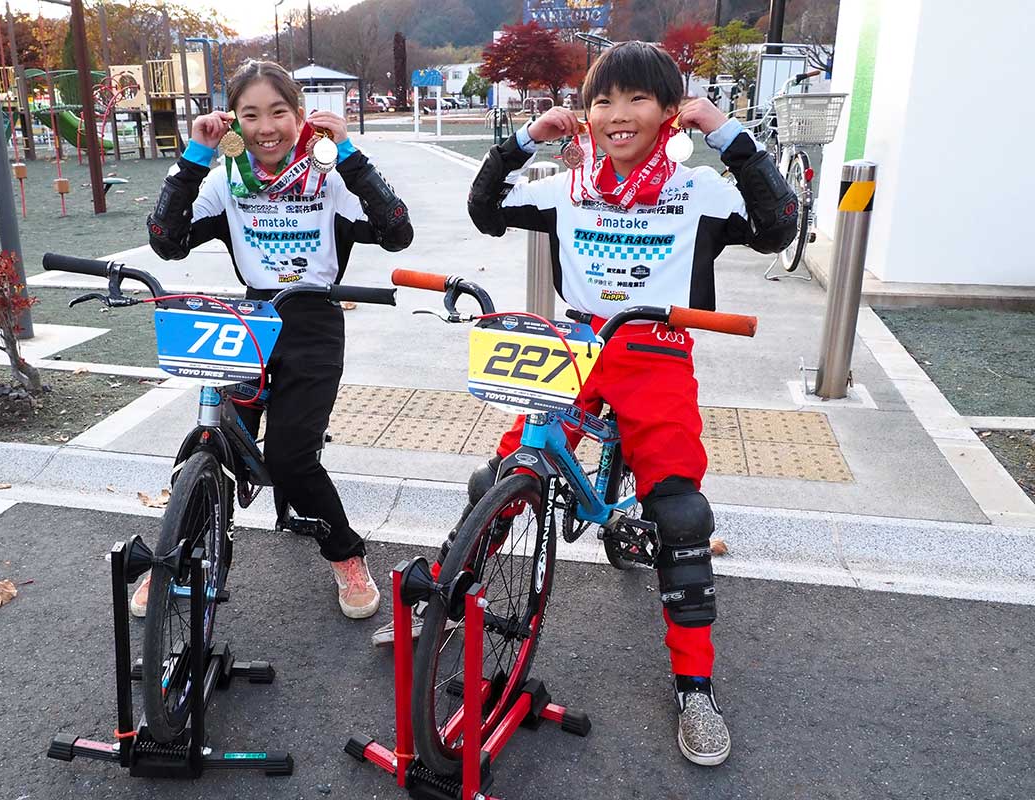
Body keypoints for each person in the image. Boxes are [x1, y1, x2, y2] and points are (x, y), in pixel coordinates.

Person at [460, 42, 797, 766]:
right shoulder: (565, 186)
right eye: (602, 100)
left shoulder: (698, 190)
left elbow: (777, 228)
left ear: (668, 112)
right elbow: (485, 212)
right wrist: (523, 139)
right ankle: (452, 607)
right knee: (499, 478)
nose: (618, 115)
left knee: (678, 511)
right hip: (574, 345)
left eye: (638, 99)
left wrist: (726, 133)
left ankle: (695, 688)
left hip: (656, 348)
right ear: (584, 113)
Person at [137, 60, 413, 620]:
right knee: (210, 439)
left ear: (299, 115)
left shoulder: (329, 177)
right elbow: (167, 241)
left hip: (312, 321)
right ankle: (175, 552)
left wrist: (352, 154)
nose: (267, 127)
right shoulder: (224, 179)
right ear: (233, 121)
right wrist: (195, 157)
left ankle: (345, 553)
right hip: (251, 317)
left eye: (279, 112)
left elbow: (396, 230)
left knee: (290, 458)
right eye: (251, 114)